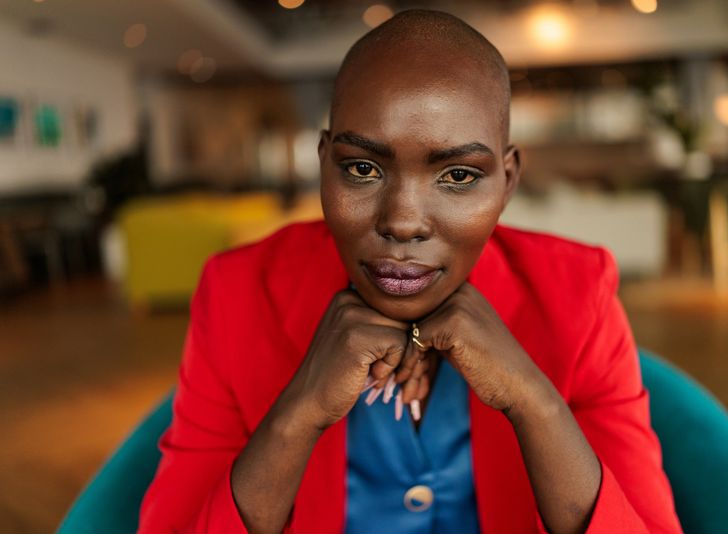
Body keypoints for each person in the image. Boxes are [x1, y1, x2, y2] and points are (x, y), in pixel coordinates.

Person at [139, 9, 682, 534]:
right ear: (324, 164)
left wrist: (532, 402)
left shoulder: (578, 294)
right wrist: (298, 413)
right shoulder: (237, 293)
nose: (401, 222)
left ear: (508, 180)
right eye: (362, 168)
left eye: (459, 175)